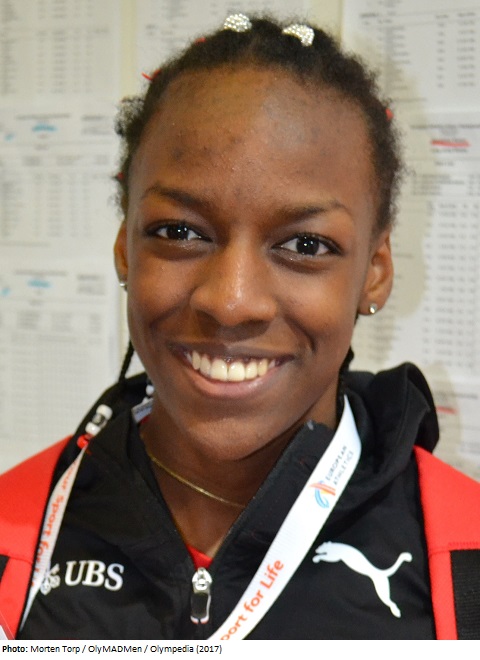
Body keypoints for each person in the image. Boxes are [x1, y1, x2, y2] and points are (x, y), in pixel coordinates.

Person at [1, 14, 479, 641]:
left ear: (374, 272)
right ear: (124, 249)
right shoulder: (14, 532)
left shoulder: (465, 560)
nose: (231, 303)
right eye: (180, 232)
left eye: (305, 244)